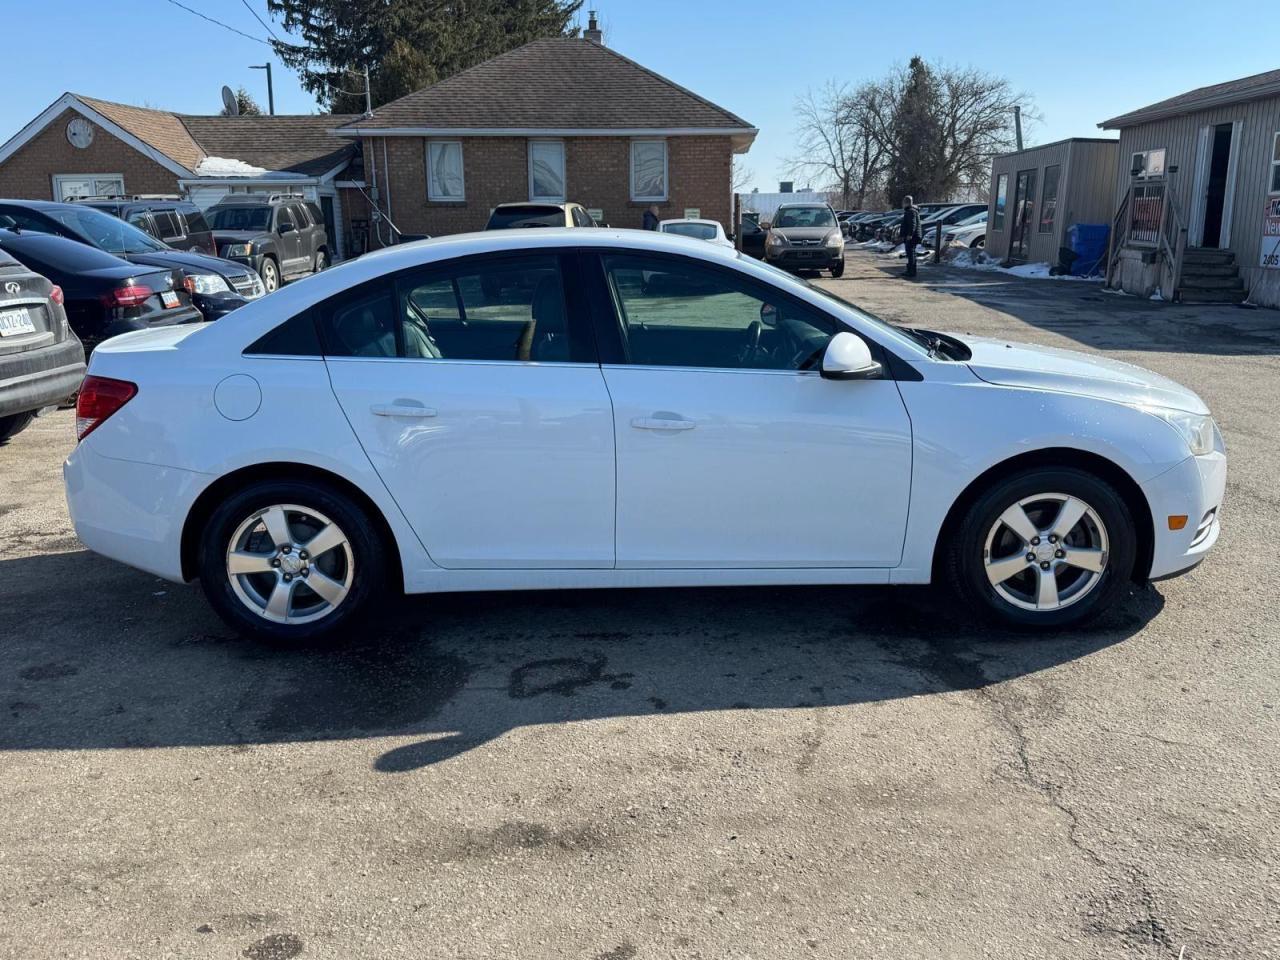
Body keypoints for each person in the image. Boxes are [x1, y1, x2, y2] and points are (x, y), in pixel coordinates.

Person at [900, 195, 921, 278]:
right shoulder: (910, 211)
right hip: (912, 236)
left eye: (903, 202)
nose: (902, 204)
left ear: (906, 203)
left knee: (911, 253)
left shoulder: (911, 211)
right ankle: (910, 270)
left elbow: (912, 224)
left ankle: (911, 271)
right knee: (910, 253)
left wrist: (910, 234)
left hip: (912, 236)